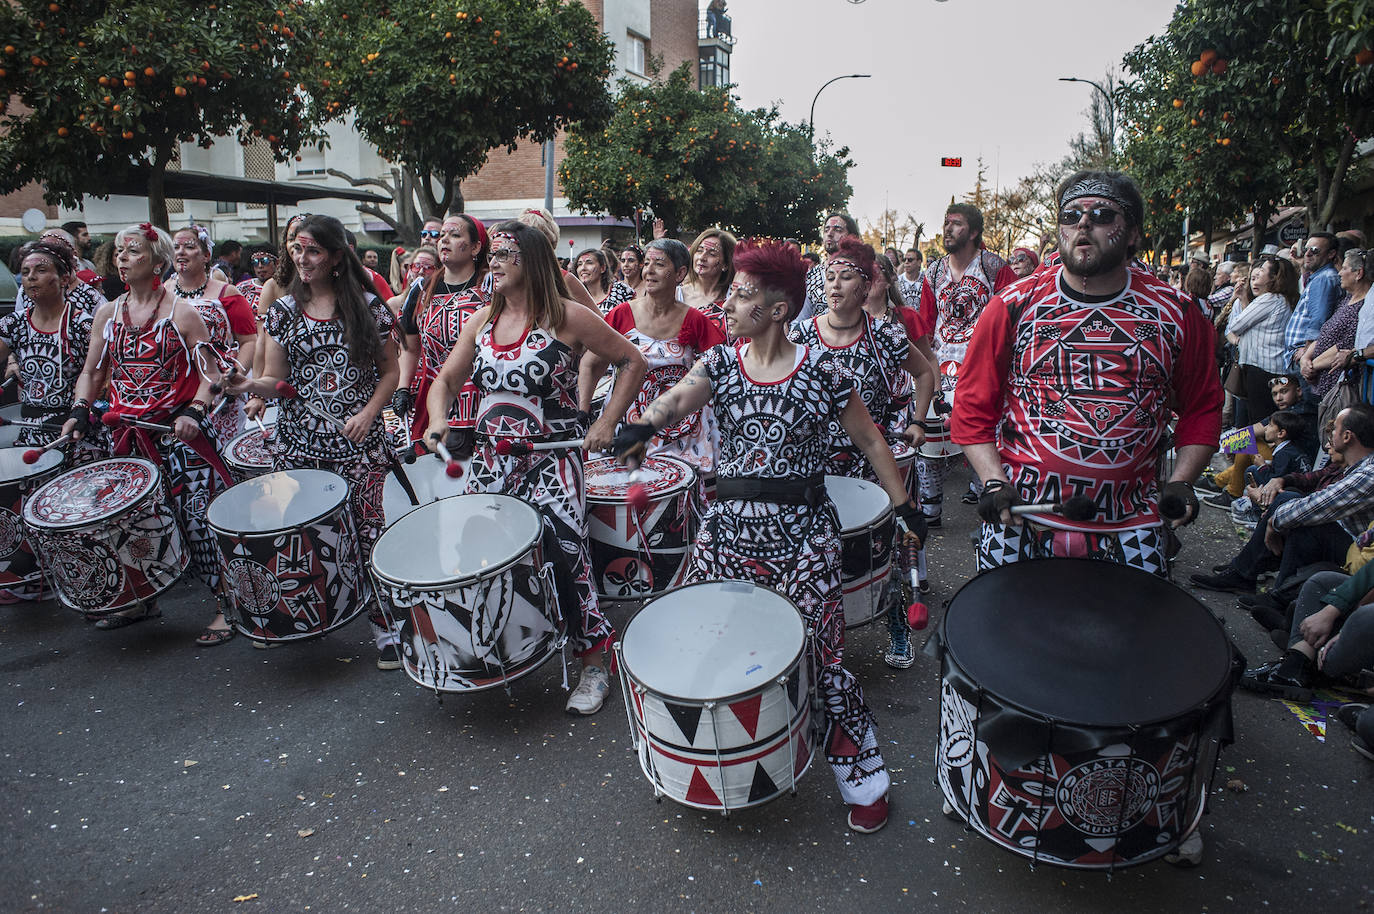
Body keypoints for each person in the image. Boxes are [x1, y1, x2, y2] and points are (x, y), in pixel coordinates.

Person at [610, 239, 926, 834]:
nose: (728, 303)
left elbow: (872, 443)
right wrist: (639, 427)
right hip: (726, 533)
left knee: (823, 655)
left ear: (778, 310)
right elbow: (678, 397)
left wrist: (905, 508)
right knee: (702, 641)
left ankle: (863, 780)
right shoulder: (723, 364)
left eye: (744, 295)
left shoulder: (826, 374)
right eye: (730, 292)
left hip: (804, 539)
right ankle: (716, 762)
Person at [422, 220, 647, 715]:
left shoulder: (567, 316)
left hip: (551, 460)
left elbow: (632, 360)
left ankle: (594, 660)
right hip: (489, 462)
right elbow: (445, 380)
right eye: (493, 255)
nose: (495, 262)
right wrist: (438, 419)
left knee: (566, 555)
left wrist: (607, 420)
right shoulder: (481, 321)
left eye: (506, 254)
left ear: (533, 260)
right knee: (484, 553)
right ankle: (500, 646)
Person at [952, 170, 1222, 577]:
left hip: (1132, 521)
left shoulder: (1178, 312)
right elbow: (972, 408)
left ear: (1131, 233)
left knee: (1138, 638)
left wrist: (1182, 480)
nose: (1082, 224)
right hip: (1021, 516)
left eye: (1100, 215)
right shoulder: (1012, 305)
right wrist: (992, 481)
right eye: (1071, 215)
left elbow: (1202, 406)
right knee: (1002, 635)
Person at [224, 215, 404, 669]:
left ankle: (386, 628)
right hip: (300, 444)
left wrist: (368, 413)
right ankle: (296, 619)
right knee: (298, 534)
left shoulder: (369, 306)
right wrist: (246, 386)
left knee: (368, 532)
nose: (302, 260)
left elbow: (391, 372)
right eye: (298, 251)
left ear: (337, 257)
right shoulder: (284, 310)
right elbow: (275, 380)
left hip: (359, 445)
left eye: (313, 251)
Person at [62, 223, 232, 639]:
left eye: (133, 251)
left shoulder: (182, 313)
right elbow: (92, 372)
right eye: (119, 251)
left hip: (179, 433)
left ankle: (227, 604)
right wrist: (80, 410)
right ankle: (141, 599)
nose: (122, 258)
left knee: (196, 521)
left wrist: (195, 410)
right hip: (127, 435)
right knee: (131, 523)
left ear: (159, 262)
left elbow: (213, 374)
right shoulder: (108, 312)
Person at [580, 238, 724, 481]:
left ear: (679, 273)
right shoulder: (621, 314)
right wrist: (584, 414)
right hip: (623, 427)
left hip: (681, 433)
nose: (649, 271)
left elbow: (720, 369)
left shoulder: (695, 320)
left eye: (659, 264)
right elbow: (590, 363)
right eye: (646, 263)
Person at [1192, 404, 1374, 595]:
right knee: (1289, 502)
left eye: (1335, 429)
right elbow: (1311, 480)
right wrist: (1281, 481)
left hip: (1357, 554)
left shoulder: (1367, 475)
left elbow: (1318, 506)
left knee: (1298, 515)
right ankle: (1249, 574)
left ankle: (1270, 590)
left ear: (1347, 437)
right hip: (1341, 538)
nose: (1329, 439)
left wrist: (1275, 521)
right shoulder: (1350, 466)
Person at [914, 203, 1017, 521]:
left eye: (956, 224)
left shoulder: (994, 267)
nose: (947, 229)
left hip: (983, 369)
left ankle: (989, 503)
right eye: (945, 223)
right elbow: (925, 325)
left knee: (982, 437)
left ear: (973, 232)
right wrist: (921, 370)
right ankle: (930, 510)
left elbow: (1012, 315)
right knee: (931, 444)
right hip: (941, 369)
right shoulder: (933, 272)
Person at [0, 241, 104, 468]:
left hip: (75, 432)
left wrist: (82, 410)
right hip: (31, 435)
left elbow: (101, 376)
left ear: (64, 279)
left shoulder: (83, 325)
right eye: (25, 272)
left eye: (41, 270)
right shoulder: (14, 324)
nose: (30, 277)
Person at [394, 214, 489, 447]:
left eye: (455, 235)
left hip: (484, 398)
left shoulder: (491, 289)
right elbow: (410, 346)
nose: (445, 240)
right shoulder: (422, 289)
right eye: (442, 235)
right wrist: (403, 388)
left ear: (476, 247)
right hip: (435, 399)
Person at [170, 225, 258, 444]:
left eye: (189, 247)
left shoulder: (226, 293)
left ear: (206, 255)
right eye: (176, 247)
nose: (181, 252)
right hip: (177, 393)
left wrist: (235, 374)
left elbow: (249, 341)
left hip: (220, 392)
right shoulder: (162, 293)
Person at [1226, 255, 1297, 428]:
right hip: (1270, 366)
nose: (1256, 274)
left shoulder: (1270, 299)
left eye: (1262, 271)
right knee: (1261, 418)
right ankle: (1246, 452)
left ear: (1273, 277)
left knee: (1259, 419)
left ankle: (1256, 454)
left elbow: (1236, 324)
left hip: (1262, 368)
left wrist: (1242, 301)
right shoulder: (1282, 299)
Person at [1285, 233, 1342, 373]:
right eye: (1306, 249)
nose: (1308, 254)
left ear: (1331, 254)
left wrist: (1307, 351)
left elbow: (1319, 320)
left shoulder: (1324, 278)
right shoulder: (1318, 276)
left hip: (1306, 357)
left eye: (1315, 250)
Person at [799, 212, 859, 322]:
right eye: (826, 230)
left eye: (837, 230)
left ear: (852, 237)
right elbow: (800, 319)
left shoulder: (861, 274)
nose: (830, 234)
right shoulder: (811, 276)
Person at [681, 228, 736, 334]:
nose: (702, 257)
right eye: (699, 250)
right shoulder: (677, 296)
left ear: (726, 264)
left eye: (712, 254)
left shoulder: (734, 297)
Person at [575, 248, 633, 315]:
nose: (583, 268)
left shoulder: (620, 289)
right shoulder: (575, 299)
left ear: (602, 268)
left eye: (589, 263)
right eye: (579, 264)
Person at [235, 246, 278, 313]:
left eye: (265, 261)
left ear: (277, 263)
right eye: (255, 262)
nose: (260, 266)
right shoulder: (242, 288)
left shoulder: (284, 288)